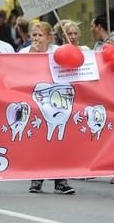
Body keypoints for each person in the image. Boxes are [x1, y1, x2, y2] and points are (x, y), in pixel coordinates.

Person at [19, 21, 75, 195]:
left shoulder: (58, 51)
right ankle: (37, 179)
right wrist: (32, 53)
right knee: (38, 142)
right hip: (38, 104)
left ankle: (61, 180)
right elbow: (16, 69)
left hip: (58, 104)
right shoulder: (24, 52)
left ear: (49, 37)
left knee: (59, 142)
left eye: (40, 35)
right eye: (34, 35)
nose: (37, 39)